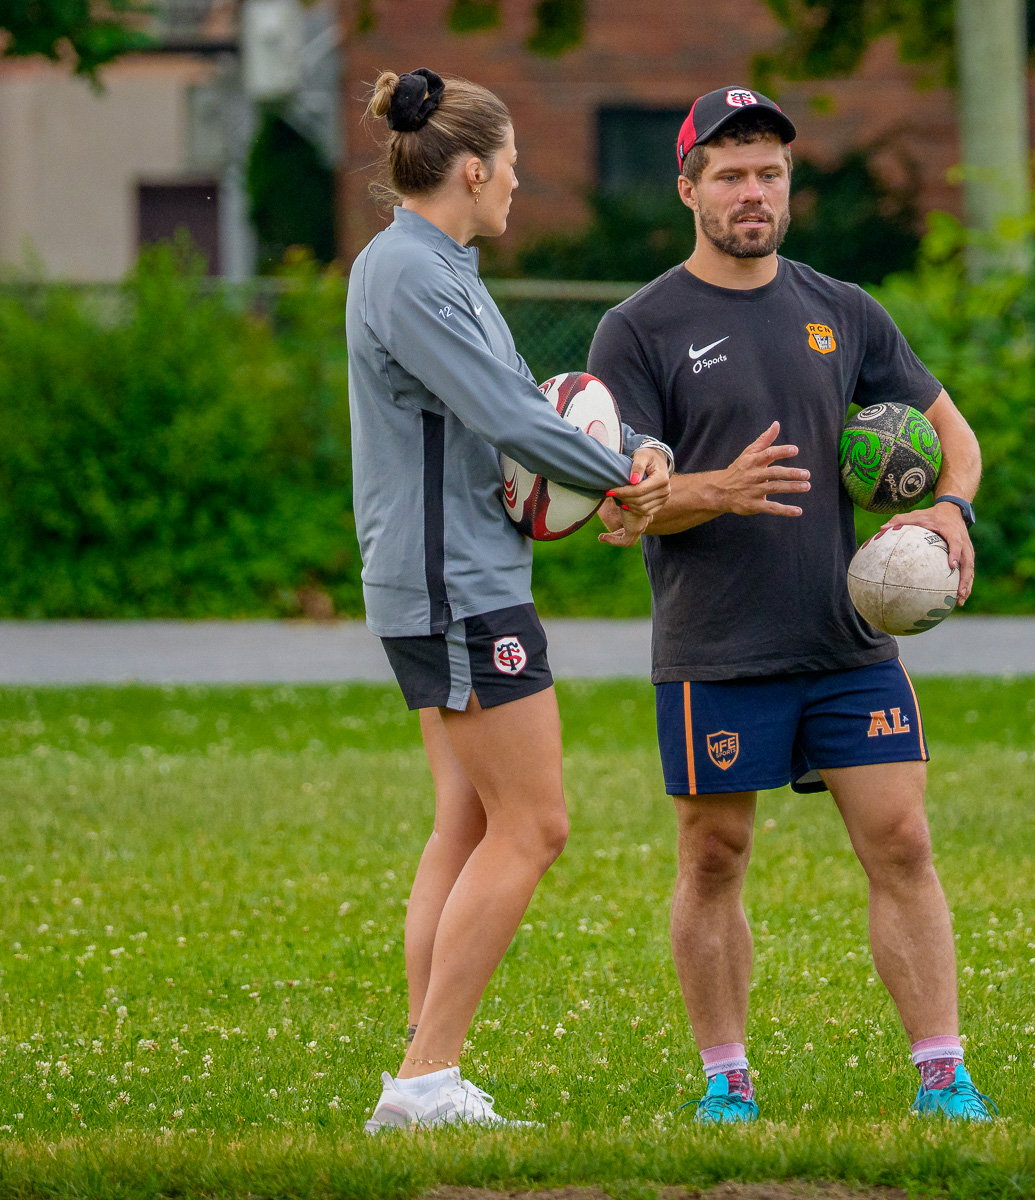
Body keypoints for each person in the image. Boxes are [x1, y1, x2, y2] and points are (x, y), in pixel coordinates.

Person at [585, 86, 990, 1123]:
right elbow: (622, 502)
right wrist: (714, 489)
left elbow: (956, 435)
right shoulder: (639, 330)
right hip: (715, 645)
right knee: (714, 855)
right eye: (729, 175)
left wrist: (950, 511)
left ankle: (942, 1076)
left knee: (902, 842)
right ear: (688, 189)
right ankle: (727, 1080)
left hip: (847, 638)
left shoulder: (842, 310)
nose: (752, 192)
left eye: (769, 173)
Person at [346, 67, 672, 1131]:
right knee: (534, 825)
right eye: (515, 167)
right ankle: (425, 1079)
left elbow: (540, 409)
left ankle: (420, 1081)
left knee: (468, 821)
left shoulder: (446, 269)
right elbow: (506, 416)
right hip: (458, 589)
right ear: (473, 167)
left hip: (458, 577)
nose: (520, 186)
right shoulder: (408, 272)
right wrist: (630, 481)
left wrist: (630, 454)